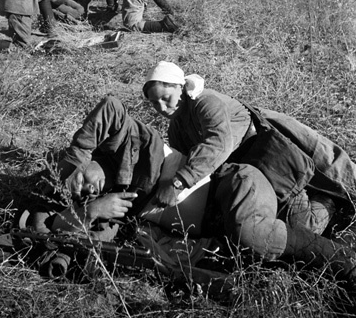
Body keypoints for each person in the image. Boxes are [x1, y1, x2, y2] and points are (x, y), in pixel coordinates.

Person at [25, 75, 356, 292]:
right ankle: (324, 206)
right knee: (302, 226)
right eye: (82, 195)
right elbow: (82, 239)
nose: (87, 188)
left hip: (232, 183)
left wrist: (73, 164)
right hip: (214, 221)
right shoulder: (107, 206)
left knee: (256, 237)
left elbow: (110, 107)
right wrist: (91, 210)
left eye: (83, 181)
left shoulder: (125, 144)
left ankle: (348, 263)